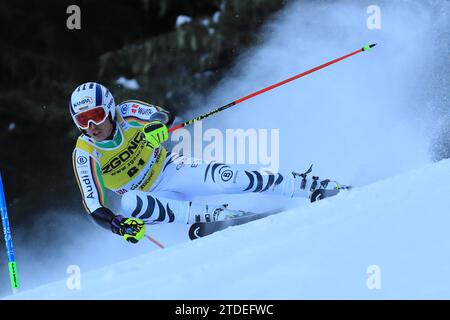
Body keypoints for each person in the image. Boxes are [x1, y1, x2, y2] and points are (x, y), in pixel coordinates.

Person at [71, 82, 348, 244]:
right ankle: (214, 215)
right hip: (153, 200)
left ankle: (307, 185)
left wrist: (157, 125)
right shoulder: (84, 153)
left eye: (96, 115)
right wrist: (119, 225)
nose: (92, 125)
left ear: (109, 108)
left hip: (171, 170)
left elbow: (162, 115)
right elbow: (93, 205)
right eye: (83, 120)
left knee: (230, 178)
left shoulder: (126, 112)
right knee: (129, 202)